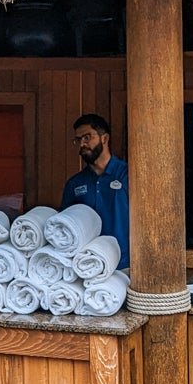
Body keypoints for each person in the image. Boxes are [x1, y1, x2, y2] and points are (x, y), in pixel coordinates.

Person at [60, 113, 130, 271]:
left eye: (87, 137)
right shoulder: (74, 184)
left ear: (104, 138)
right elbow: (66, 226)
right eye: (78, 140)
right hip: (86, 266)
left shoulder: (128, 175)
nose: (82, 144)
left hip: (125, 265)